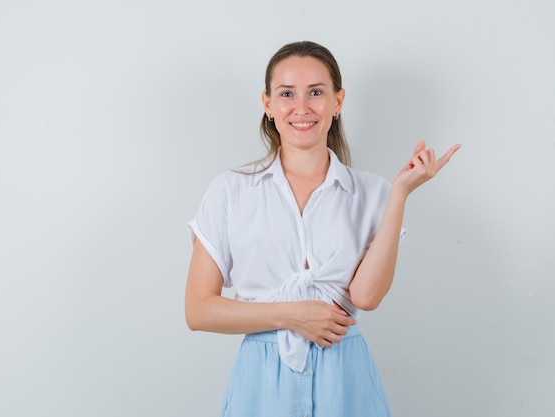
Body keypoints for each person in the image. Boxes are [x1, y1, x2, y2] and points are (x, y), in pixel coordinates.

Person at [185, 41, 460, 417]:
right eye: (286, 94)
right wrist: (288, 315)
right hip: (262, 380)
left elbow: (365, 296)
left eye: (316, 92)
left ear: (338, 101)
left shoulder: (374, 192)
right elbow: (198, 310)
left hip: (344, 377)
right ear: (268, 104)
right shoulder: (229, 191)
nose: (302, 108)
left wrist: (399, 195)